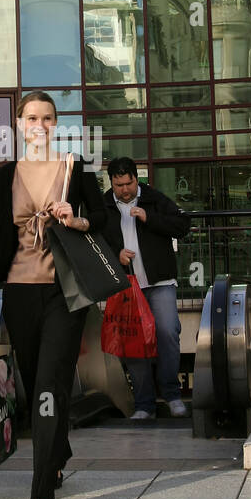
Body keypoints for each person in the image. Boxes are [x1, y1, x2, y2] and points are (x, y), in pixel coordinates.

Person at [0, 92, 105, 499]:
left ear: (55, 124)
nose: (40, 125)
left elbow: (101, 217)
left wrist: (75, 217)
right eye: (32, 118)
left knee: (50, 384)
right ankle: (59, 450)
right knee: (37, 384)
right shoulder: (6, 174)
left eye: (47, 118)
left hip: (65, 293)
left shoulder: (73, 167)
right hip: (20, 293)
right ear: (19, 123)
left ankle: (41, 490)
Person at [102, 157, 189, 419]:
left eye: (128, 183)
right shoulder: (104, 205)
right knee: (133, 341)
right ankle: (144, 405)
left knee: (168, 333)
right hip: (127, 286)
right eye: (119, 185)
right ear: (112, 183)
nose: (125, 190)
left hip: (160, 281)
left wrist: (148, 217)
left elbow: (182, 226)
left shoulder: (154, 198)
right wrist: (115, 254)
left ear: (135, 178)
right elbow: (95, 241)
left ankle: (172, 395)